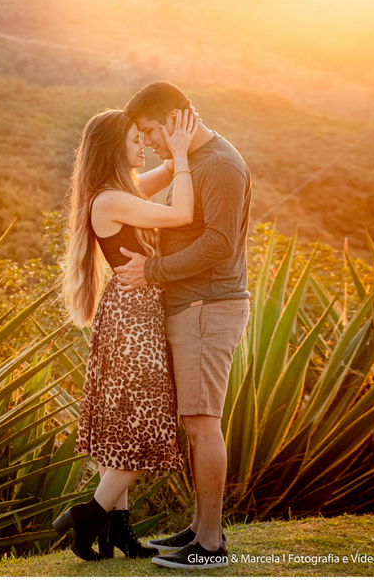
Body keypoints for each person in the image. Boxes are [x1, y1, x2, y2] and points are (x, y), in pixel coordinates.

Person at [115, 81, 252, 570]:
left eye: (150, 130)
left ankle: (211, 545)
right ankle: (199, 528)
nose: (148, 141)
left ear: (175, 118)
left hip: (207, 308)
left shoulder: (220, 165)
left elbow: (218, 244)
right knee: (195, 422)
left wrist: (151, 271)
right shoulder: (195, 163)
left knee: (201, 423)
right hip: (192, 307)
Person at [52, 107, 197, 562]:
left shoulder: (118, 192)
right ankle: (88, 516)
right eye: (136, 139)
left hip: (132, 314)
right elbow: (182, 211)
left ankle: (120, 533)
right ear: (117, 147)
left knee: (125, 426)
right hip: (133, 321)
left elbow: (165, 171)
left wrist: (178, 147)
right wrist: (183, 161)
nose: (142, 147)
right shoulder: (111, 201)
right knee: (142, 426)